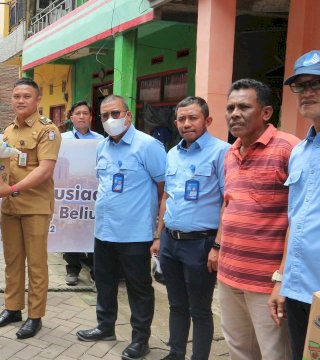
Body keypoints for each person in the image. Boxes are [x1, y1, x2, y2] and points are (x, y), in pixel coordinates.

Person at [77, 94, 166, 360]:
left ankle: (141, 339)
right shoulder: (102, 147)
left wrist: (158, 233)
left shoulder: (148, 146)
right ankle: (105, 327)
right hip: (104, 231)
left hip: (135, 235)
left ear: (128, 115)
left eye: (115, 114)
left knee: (139, 289)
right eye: (104, 116)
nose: (110, 120)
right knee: (104, 283)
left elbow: (164, 190)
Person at [217, 78, 299, 360]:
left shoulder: (290, 149)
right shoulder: (230, 153)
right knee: (238, 349)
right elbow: (228, 205)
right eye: (230, 107)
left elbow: (298, 219)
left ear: (265, 112)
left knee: (275, 353)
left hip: (268, 283)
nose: (234, 113)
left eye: (243, 107)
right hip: (229, 275)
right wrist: (218, 249)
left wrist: (282, 279)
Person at [150, 96, 230, 360]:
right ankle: (175, 353)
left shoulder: (222, 152)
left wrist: (217, 246)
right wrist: (159, 236)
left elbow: (227, 203)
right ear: (176, 122)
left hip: (201, 244)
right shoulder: (172, 153)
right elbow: (166, 197)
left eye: (193, 118)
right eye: (181, 119)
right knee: (176, 304)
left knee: (200, 309)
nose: (186, 123)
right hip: (171, 241)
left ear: (207, 120)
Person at [0, 78, 61, 340]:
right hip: (10, 205)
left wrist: (13, 190)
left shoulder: (47, 130)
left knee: (37, 264)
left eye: (26, 96)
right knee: (13, 261)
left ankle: (35, 316)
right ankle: (12, 308)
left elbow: (45, 169)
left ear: (38, 100)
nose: (20, 100)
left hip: (35, 207)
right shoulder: (8, 131)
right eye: (16, 95)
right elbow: (3, 167)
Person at [269, 50, 320, 360]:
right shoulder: (300, 152)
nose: (307, 92)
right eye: (300, 86)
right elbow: (296, 221)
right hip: (300, 289)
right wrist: (282, 280)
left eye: (317, 83)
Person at [60, 100, 103, 286]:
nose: (82, 116)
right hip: (70, 194)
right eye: (78, 113)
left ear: (91, 117)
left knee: (91, 230)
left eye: (85, 113)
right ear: (71, 117)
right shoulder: (62, 139)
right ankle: (72, 269)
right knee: (71, 228)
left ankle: (95, 271)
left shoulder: (100, 140)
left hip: (92, 193)